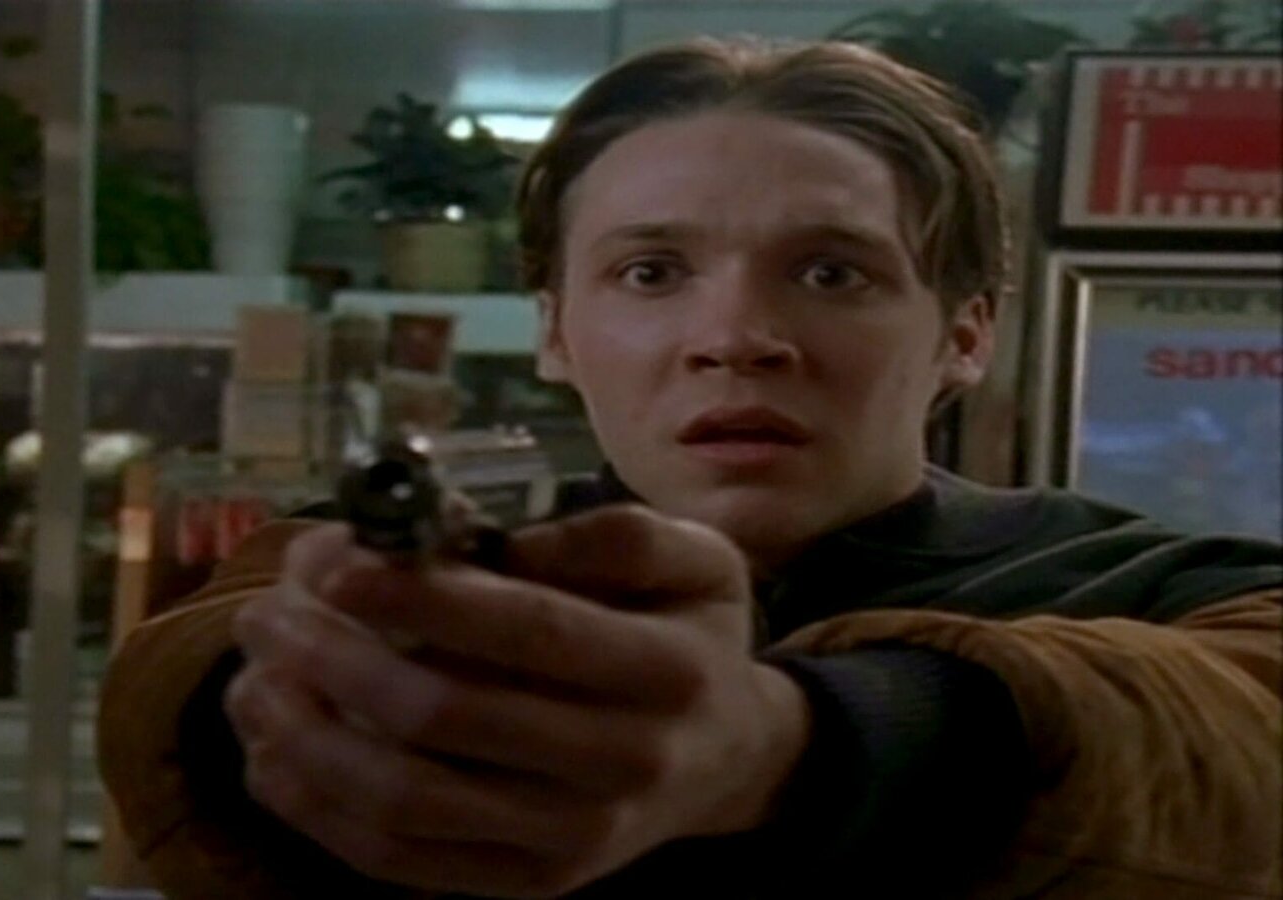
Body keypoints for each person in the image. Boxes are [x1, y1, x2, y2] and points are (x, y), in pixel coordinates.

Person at [97, 37, 1282, 899]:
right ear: (556, 331)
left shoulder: (1164, 590)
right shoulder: (386, 568)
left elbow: (1238, 740)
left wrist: (799, 745)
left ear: (964, 334)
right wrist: (329, 688)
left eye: (829, 273)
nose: (735, 337)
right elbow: (181, 679)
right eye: (651, 273)